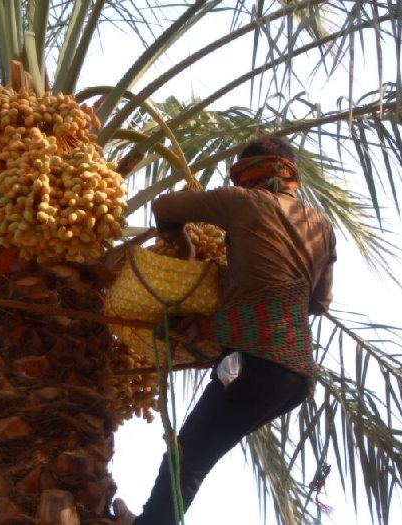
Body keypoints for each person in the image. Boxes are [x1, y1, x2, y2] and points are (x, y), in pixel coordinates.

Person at [114, 135, 337, 524]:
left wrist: (181, 243)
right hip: (296, 377)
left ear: (248, 175)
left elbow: (165, 207)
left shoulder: (243, 202)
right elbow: (318, 303)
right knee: (195, 455)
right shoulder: (322, 225)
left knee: (187, 458)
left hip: (257, 366)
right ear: (290, 176)